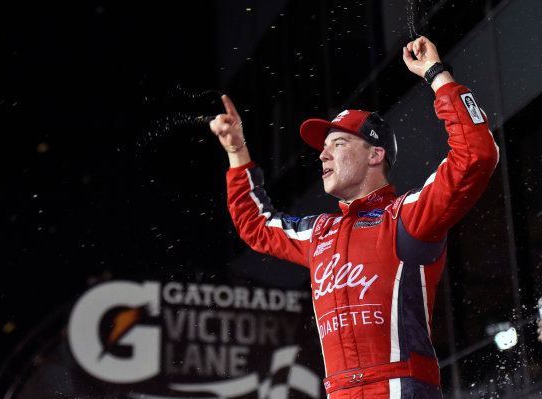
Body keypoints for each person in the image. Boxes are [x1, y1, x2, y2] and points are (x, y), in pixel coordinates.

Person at [210, 36, 498, 398]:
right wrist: (237, 151)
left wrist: (437, 74)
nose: (322, 156)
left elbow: (476, 155)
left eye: (338, 144)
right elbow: (255, 226)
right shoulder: (318, 233)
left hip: (401, 387)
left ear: (375, 155)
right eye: (324, 148)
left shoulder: (407, 215)